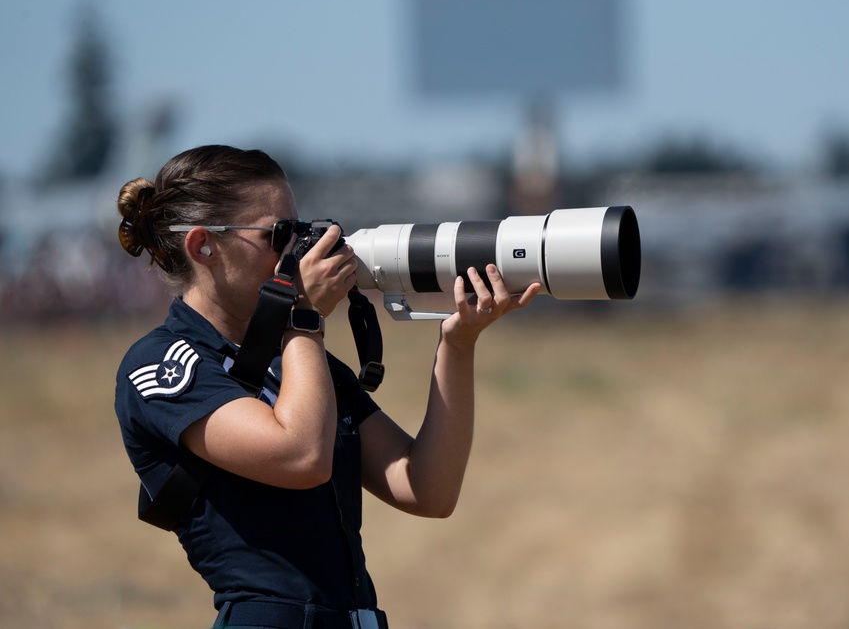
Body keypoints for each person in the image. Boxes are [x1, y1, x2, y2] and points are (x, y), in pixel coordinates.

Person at [114, 145, 540, 629]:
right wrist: (304, 318)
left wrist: (458, 345)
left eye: (302, 229)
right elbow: (301, 457)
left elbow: (427, 489)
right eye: (280, 234)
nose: (300, 249)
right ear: (202, 246)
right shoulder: (163, 365)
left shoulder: (297, 359)